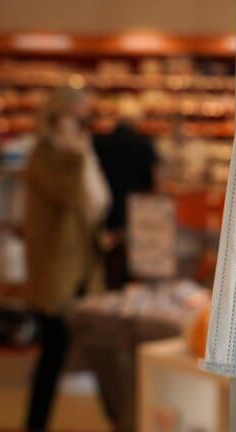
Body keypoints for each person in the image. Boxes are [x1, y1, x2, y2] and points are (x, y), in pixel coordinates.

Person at [24, 88, 110, 431]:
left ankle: (121, 419)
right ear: (57, 117)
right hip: (55, 270)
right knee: (53, 353)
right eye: (77, 116)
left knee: (98, 348)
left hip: (83, 268)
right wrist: (75, 155)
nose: (83, 125)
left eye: (86, 117)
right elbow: (70, 195)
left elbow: (97, 201)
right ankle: (35, 423)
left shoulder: (81, 152)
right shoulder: (46, 156)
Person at [94, 98, 157, 289]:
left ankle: (104, 288)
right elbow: (152, 181)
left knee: (103, 255)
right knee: (128, 259)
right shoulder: (143, 144)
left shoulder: (100, 142)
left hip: (105, 205)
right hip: (133, 208)